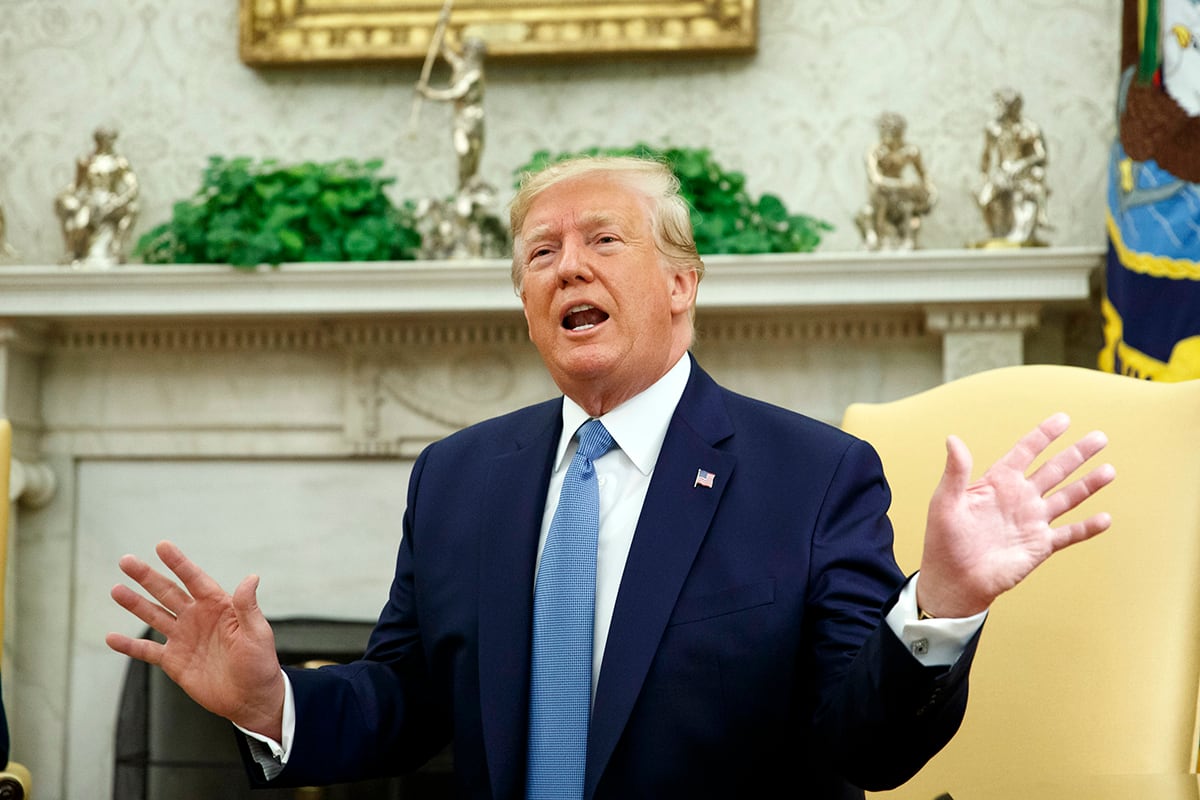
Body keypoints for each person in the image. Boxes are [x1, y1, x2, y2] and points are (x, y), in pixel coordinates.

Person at [107, 156, 1114, 799]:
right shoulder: (456, 477)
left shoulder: (813, 474)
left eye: (602, 240)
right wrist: (271, 698)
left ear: (680, 284)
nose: (565, 266)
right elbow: (410, 701)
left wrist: (939, 603)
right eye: (539, 252)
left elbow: (865, 744)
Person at [53, 127, 140, 266]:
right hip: (90, 201)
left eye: (109, 139)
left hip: (111, 201)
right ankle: (73, 253)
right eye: (103, 139)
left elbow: (133, 187)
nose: (106, 142)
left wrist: (118, 201)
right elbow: (76, 185)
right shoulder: (87, 161)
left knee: (132, 209)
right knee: (79, 225)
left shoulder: (119, 161)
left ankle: (115, 247)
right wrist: (64, 196)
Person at [975, 88, 1051, 246]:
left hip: (1023, 174)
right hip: (1002, 173)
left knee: (1023, 196)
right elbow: (986, 156)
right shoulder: (993, 129)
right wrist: (984, 176)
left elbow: (1042, 155)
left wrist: (1022, 164)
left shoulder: (1030, 128)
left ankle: (1023, 231)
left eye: (1000, 104)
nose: (996, 108)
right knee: (984, 200)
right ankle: (997, 234)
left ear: (1012, 106)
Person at [854, 112, 936, 250]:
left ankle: (907, 240)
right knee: (880, 197)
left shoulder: (910, 151)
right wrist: (905, 186)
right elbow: (876, 180)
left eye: (895, 133)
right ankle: (878, 238)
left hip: (901, 197)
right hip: (881, 194)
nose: (890, 137)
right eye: (887, 132)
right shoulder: (874, 151)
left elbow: (924, 176)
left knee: (908, 206)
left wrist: (932, 193)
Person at [417, 36, 488, 195]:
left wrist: (428, 93)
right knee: (462, 152)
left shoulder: (474, 75)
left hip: (474, 120)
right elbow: (451, 58)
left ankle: (468, 189)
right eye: (466, 51)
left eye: (470, 51)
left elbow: (456, 94)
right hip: (460, 120)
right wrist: (440, 42)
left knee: (471, 155)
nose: (467, 54)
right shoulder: (463, 67)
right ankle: (462, 189)